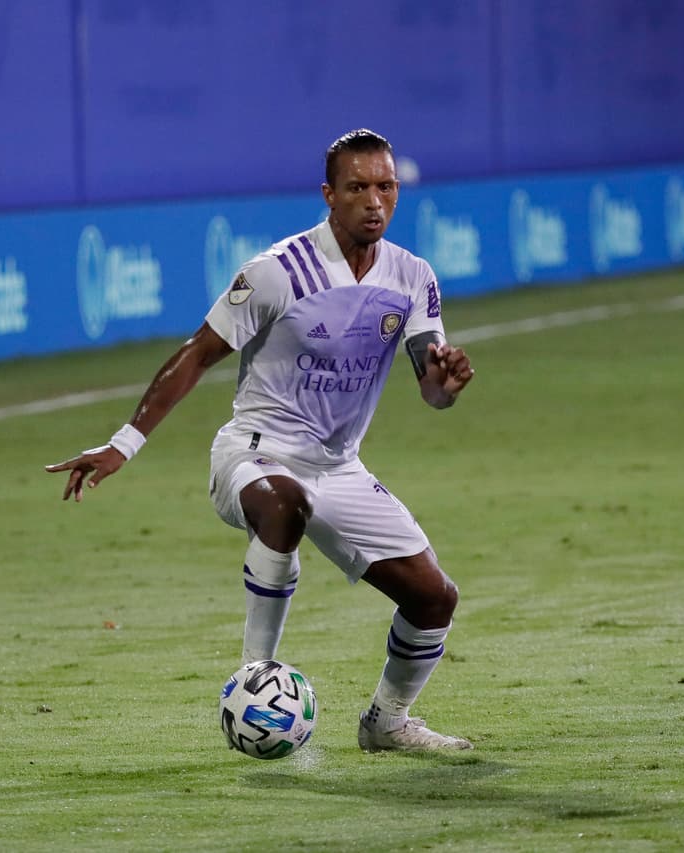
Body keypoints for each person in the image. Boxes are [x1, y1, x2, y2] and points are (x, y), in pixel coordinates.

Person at [46, 129, 477, 752]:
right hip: (255, 451)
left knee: (434, 598)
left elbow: (430, 388)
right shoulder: (278, 272)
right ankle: (255, 677)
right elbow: (198, 353)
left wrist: (446, 385)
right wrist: (123, 444)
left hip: (339, 468)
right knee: (284, 504)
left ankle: (387, 724)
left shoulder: (413, 276)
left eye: (385, 187)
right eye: (357, 187)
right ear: (329, 194)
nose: (374, 201)